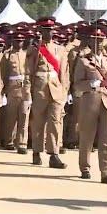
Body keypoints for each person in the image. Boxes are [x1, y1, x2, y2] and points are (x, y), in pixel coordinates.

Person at [74, 27, 107, 184]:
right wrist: (91, 84)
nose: (98, 43)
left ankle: (106, 172)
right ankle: (85, 167)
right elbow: (77, 85)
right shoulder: (83, 60)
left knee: (106, 137)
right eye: (95, 40)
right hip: (91, 101)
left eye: (100, 40)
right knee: (87, 136)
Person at [25, 17, 69, 169]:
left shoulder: (61, 50)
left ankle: (54, 154)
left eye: (50, 30)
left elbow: (64, 73)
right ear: (40, 31)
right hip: (40, 89)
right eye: (45, 30)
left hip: (56, 89)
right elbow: (28, 73)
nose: (48, 33)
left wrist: (64, 91)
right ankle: (37, 151)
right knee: (38, 122)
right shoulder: (34, 49)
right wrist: (28, 93)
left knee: (55, 121)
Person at [1, 32, 30, 154]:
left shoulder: (27, 54)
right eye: (16, 40)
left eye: (21, 40)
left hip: (25, 87)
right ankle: (9, 141)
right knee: (11, 116)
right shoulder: (7, 55)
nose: (19, 43)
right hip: (12, 87)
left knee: (24, 115)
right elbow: (3, 73)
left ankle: (22, 143)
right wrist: (3, 90)